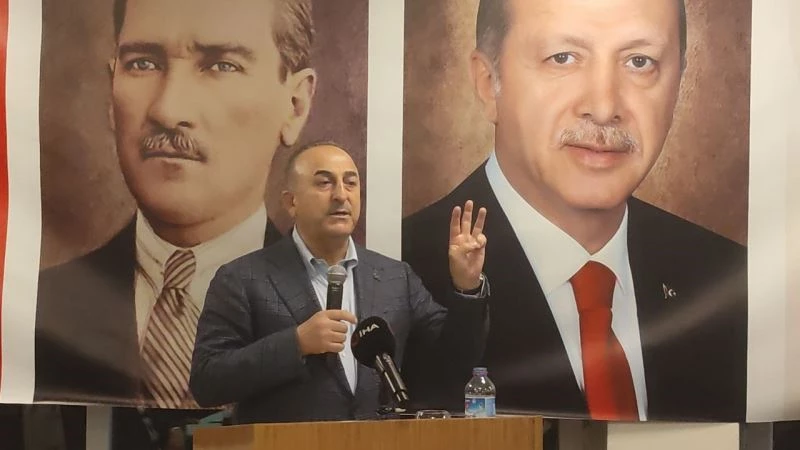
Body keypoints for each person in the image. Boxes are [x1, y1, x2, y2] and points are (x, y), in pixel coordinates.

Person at [401, 0, 748, 422]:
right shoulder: (403, 272)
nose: (603, 107)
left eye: (639, 62)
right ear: (488, 83)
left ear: (679, 83)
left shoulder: (728, 281)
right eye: (562, 58)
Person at [34, 0, 319, 445]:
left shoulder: (325, 306)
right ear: (111, 89)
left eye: (222, 65)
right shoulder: (40, 310)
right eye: (142, 63)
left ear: (295, 105)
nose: (168, 110)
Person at [189, 143, 490, 423]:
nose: (341, 195)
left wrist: (467, 287)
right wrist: (296, 343)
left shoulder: (395, 277)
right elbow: (207, 381)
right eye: (324, 183)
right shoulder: (242, 278)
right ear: (291, 202)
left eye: (350, 183)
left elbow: (456, 359)